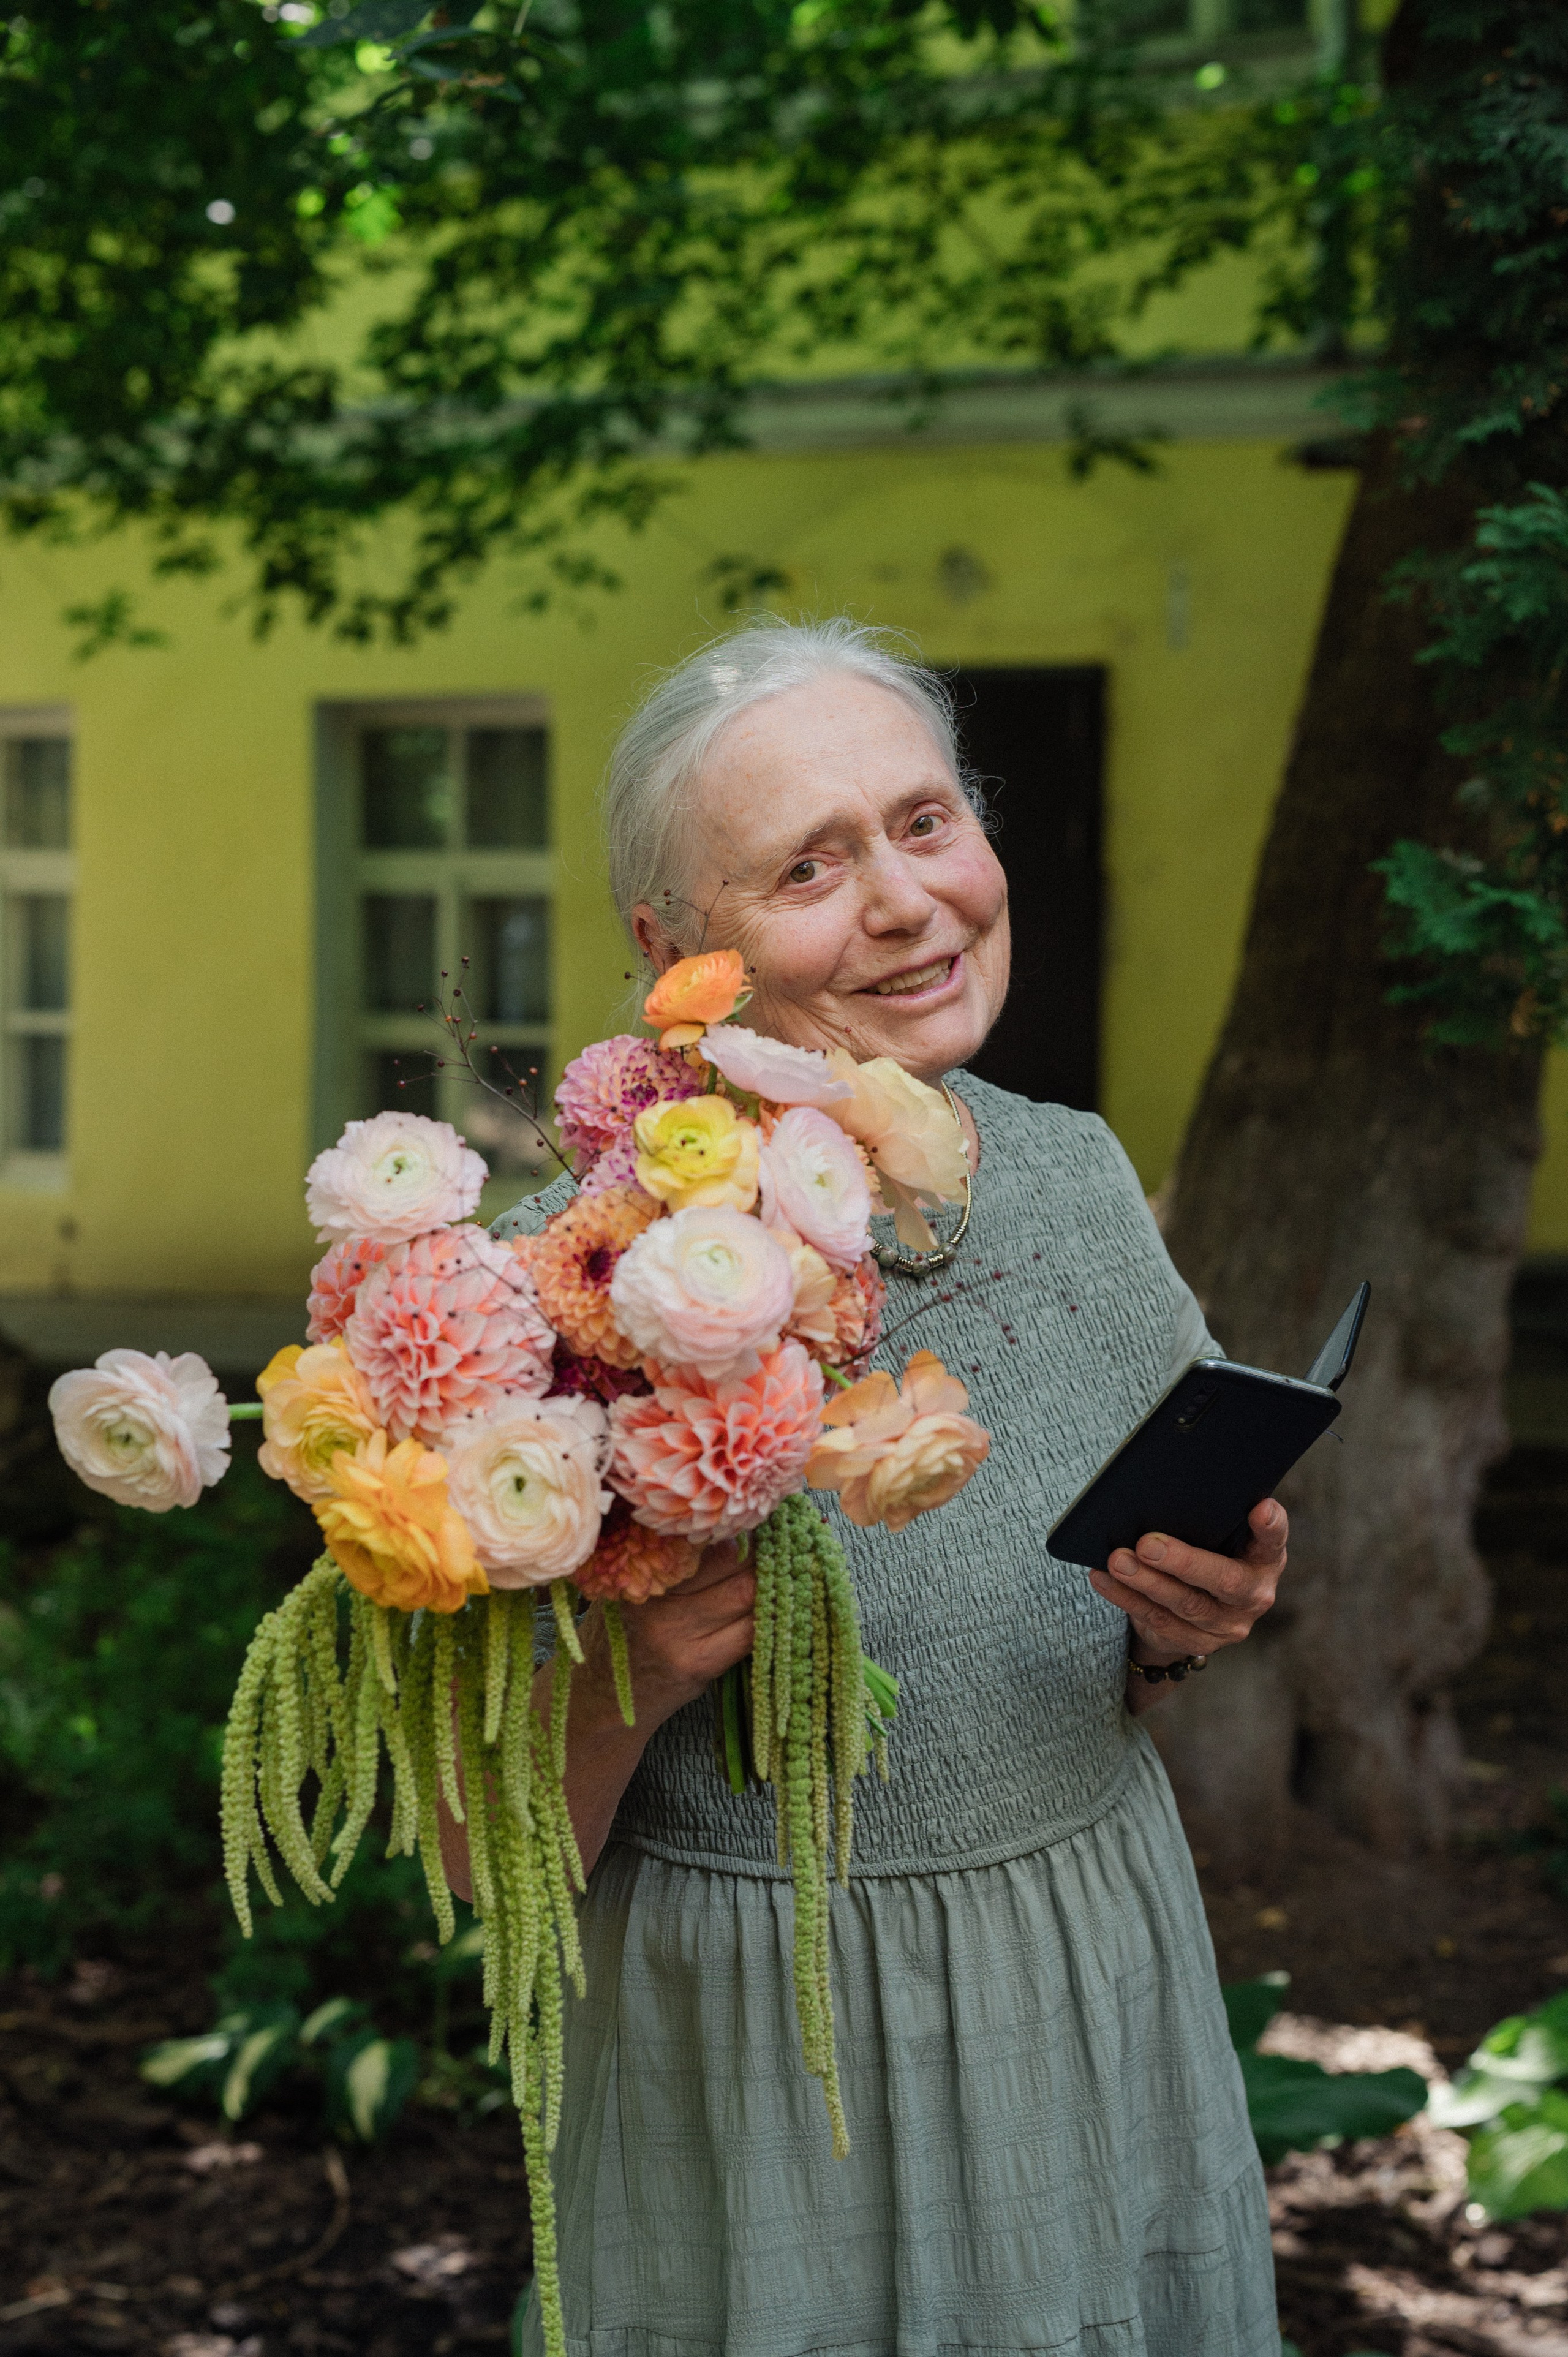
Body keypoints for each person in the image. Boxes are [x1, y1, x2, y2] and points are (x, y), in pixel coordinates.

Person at [462, 619, 1287, 2356]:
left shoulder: (1074, 1177)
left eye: (925, 823)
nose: (908, 901)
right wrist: (641, 1664)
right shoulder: (565, 1292)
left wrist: (1190, 1627)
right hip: (774, 2052)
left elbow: (1100, 1647)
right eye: (811, 867)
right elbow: (473, 1869)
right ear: (673, 950)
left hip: (1093, 1970)